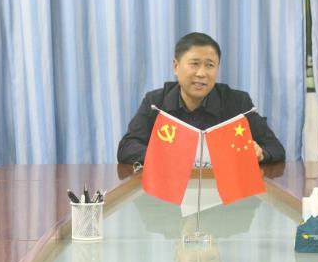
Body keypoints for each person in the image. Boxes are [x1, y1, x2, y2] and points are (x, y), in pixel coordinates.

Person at [117, 32, 285, 165]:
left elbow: (275, 147)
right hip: (171, 187)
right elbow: (127, 148)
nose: (201, 73)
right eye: (194, 64)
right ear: (176, 66)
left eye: (210, 65)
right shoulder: (156, 102)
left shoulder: (238, 102)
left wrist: (261, 154)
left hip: (222, 190)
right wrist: (166, 156)